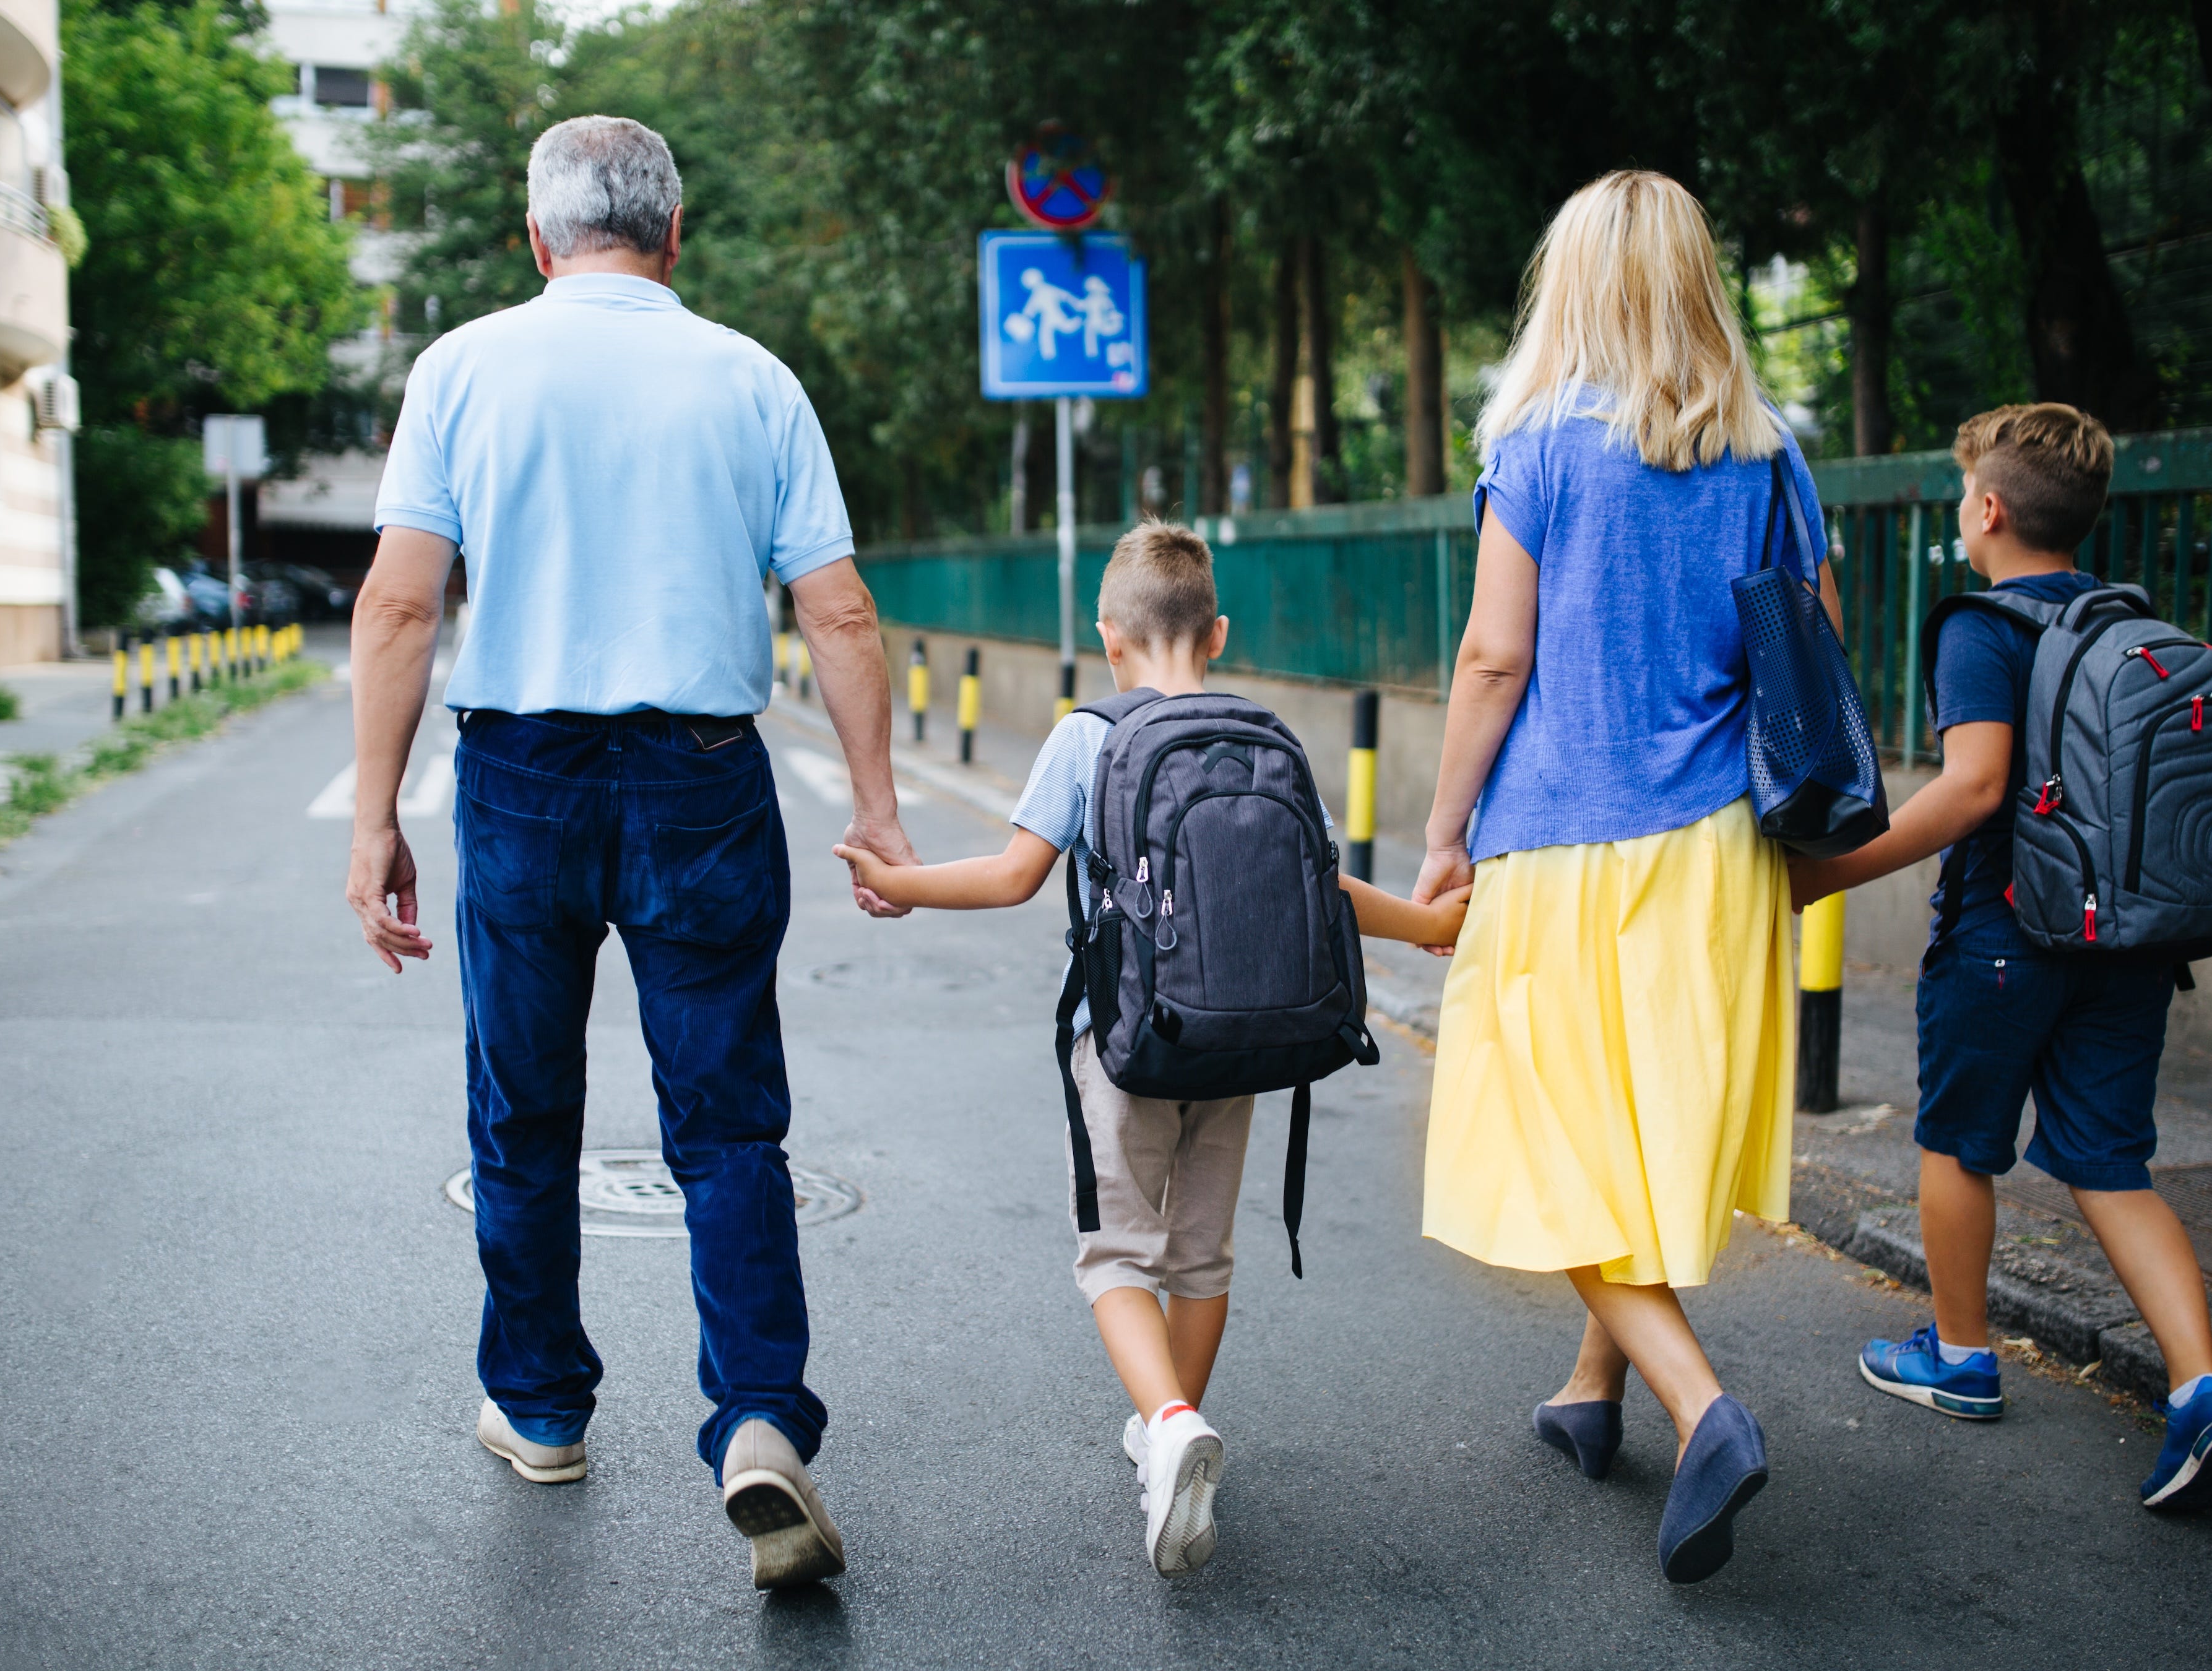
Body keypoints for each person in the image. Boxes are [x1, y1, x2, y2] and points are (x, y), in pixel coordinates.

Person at [342, 115, 917, 1590]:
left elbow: (403, 609)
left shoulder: (460, 369)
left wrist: (375, 819)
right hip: (705, 777)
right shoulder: (750, 378)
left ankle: (539, 1408)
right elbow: (837, 612)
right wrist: (876, 807)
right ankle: (755, 1425)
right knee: (728, 1124)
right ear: (676, 233)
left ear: (537, 241)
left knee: (522, 1110)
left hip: (520, 774)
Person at [832, 521, 1471, 1579]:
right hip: (1247, 1042)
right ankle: (1171, 1431)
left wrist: (897, 883)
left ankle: (1167, 1423)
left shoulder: (1089, 736)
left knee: (1117, 1255)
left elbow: (1011, 875)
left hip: (1127, 1042)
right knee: (1203, 1255)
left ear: (1108, 638)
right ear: (1214, 631)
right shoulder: (1271, 736)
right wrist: (1426, 924)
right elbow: (1326, 890)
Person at [1409, 171, 1840, 1585]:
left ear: (1573, 285)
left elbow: (1491, 658)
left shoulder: (1538, 446)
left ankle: (1700, 1406)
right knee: (1632, 1131)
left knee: (1541, 1139)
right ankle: (1587, 1395)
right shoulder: (1769, 455)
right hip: (1718, 848)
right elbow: (1813, 648)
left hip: (1558, 842)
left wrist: (1440, 828)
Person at [1790, 404, 2212, 1512]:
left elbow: (1974, 787)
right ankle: (2204, 1390)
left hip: (2007, 935)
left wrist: (1824, 876)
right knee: (2108, 1159)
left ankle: (1959, 1356)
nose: (1962, 514)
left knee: (1959, 1142)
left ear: (1991, 511)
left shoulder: (1982, 625)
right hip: (2131, 940)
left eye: (1965, 498)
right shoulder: (2122, 620)